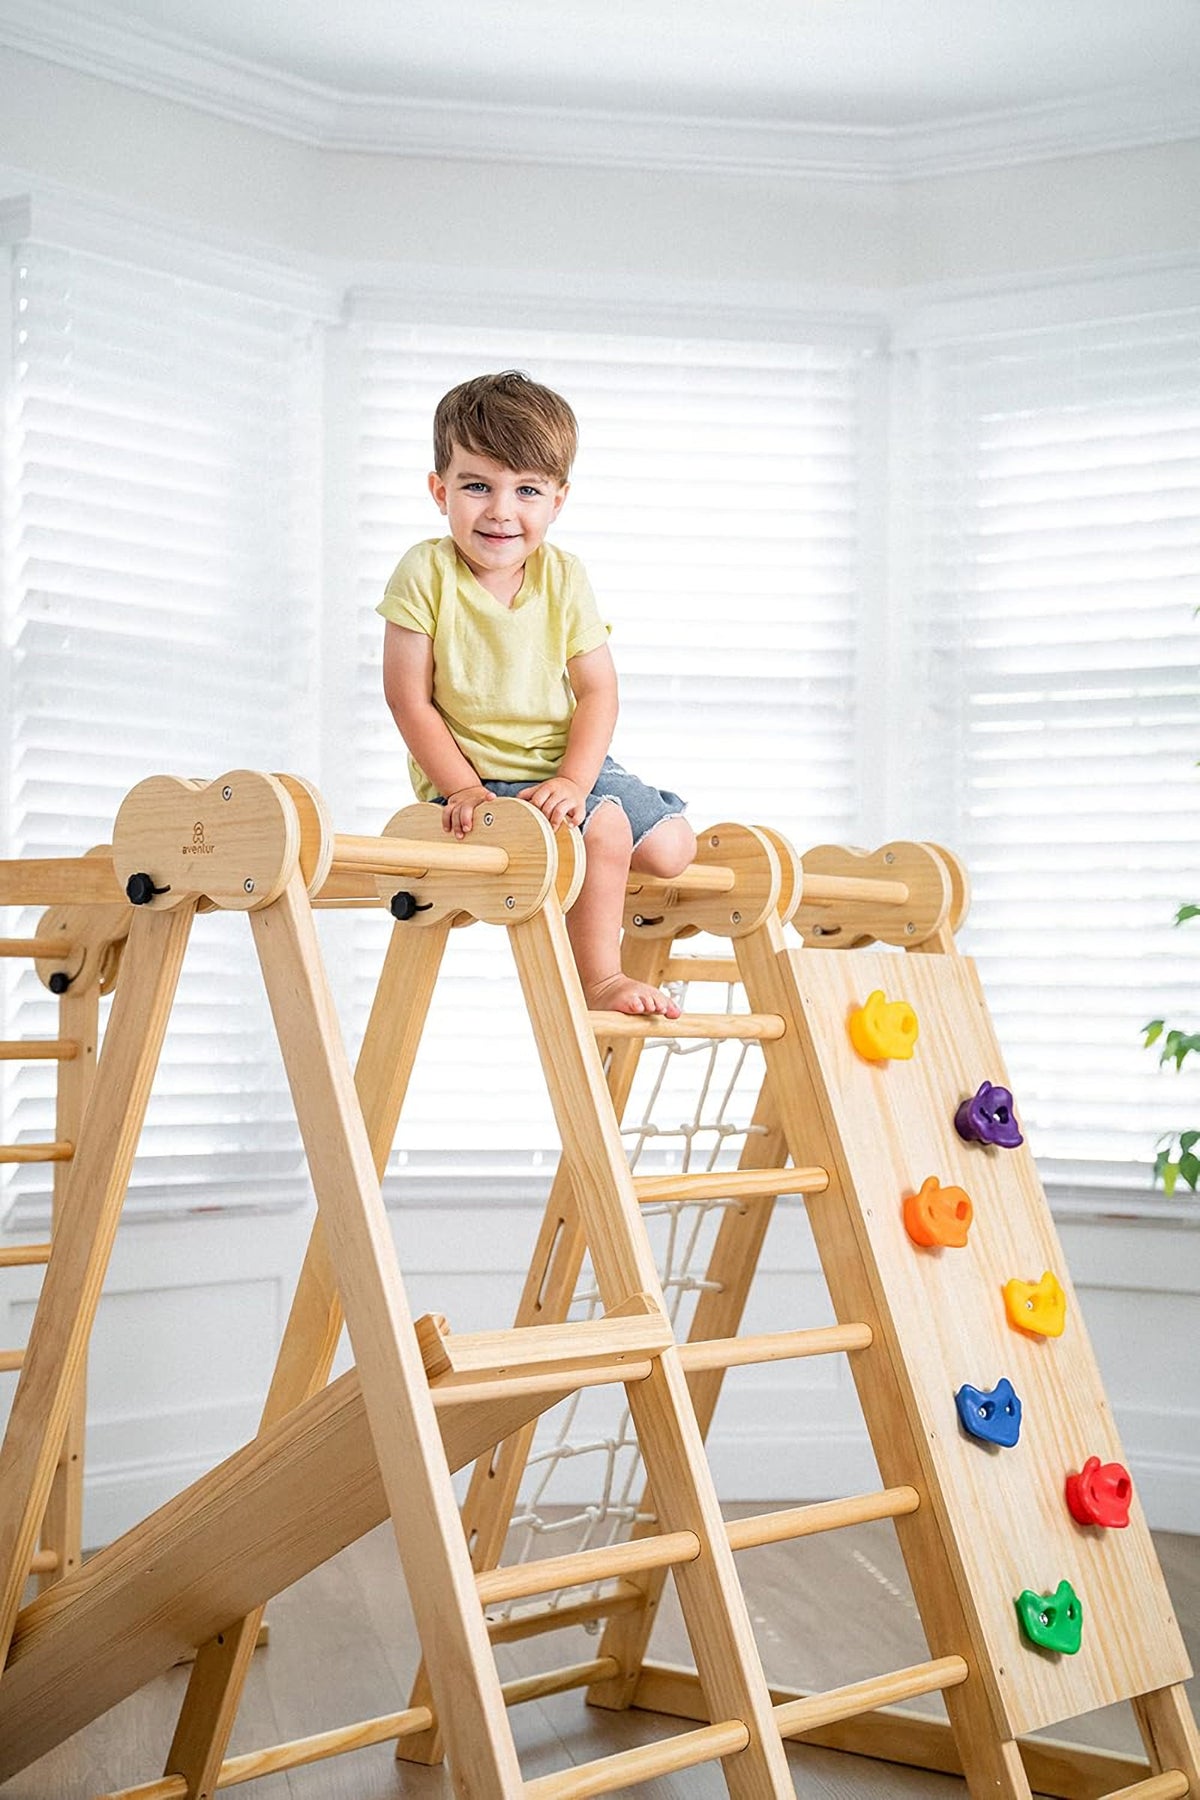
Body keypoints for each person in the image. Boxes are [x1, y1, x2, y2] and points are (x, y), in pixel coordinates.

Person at [379, 369, 696, 1017]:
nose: (501, 510)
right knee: (607, 828)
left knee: (673, 850)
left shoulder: (563, 575)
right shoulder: (425, 571)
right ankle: (599, 978)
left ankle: (590, 870)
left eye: (526, 489)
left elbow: (598, 690)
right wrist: (460, 787)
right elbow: (408, 698)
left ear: (558, 500)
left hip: (566, 766)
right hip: (482, 775)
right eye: (477, 486)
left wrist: (578, 782)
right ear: (440, 491)